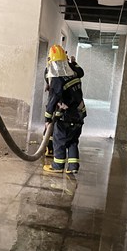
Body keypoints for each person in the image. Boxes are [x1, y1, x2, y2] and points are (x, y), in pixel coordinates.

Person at [43, 45, 86, 174]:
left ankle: (58, 166)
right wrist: (74, 63)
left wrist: (47, 119)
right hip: (79, 115)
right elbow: (81, 72)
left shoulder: (57, 79)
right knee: (73, 140)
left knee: (59, 140)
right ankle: (73, 167)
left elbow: (53, 100)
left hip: (65, 117)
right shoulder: (74, 74)